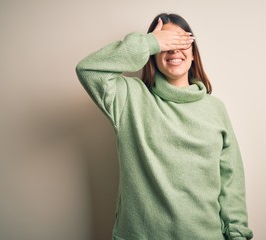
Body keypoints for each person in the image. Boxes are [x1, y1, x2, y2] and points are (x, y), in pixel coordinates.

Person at [76, 12, 253, 240]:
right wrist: (149, 42)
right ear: (153, 54)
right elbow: (88, 70)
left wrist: (237, 234)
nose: (173, 49)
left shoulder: (215, 108)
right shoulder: (129, 97)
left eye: (180, 41)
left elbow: (232, 180)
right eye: (166, 43)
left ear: (193, 53)